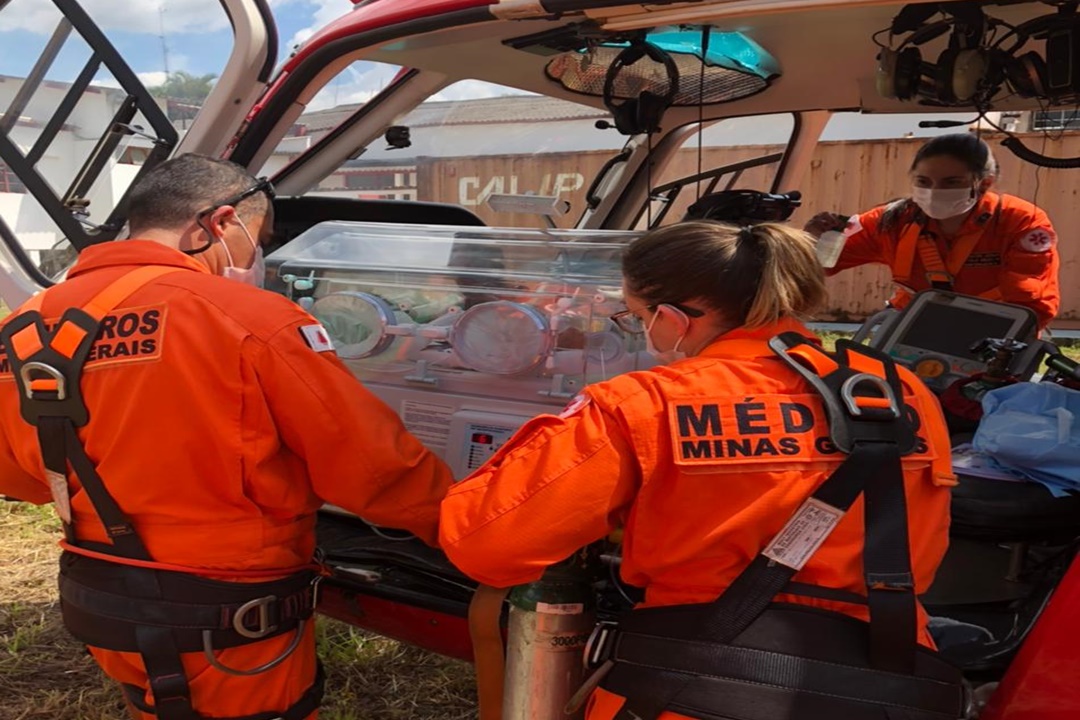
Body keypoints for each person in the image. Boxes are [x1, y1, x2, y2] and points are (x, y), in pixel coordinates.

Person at [440, 221, 960, 720]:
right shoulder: (896, 391)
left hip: (692, 685)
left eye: (634, 314)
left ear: (673, 317)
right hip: (888, 684)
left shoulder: (645, 404)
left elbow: (487, 544)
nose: (639, 328)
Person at [0, 154, 455, 720]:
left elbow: (24, 479)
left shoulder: (26, 325)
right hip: (229, 619)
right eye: (254, 238)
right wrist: (469, 528)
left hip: (102, 597)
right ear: (218, 224)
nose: (252, 255)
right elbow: (372, 469)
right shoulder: (253, 318)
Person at [804, 133, 1060, 331]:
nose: (935, 191)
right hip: (910, 326)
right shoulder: (892, 221)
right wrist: (815, 241)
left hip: (994, 333)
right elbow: (821, 264)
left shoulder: (1020, 221)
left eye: (952, 182)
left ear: (984, 183)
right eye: (923, 182)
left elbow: (1030, 303)